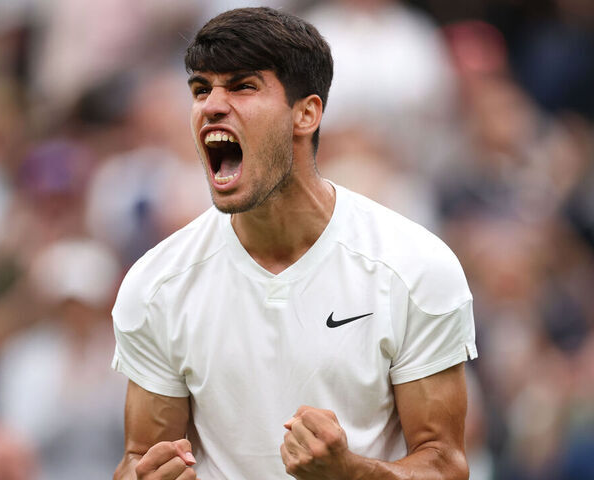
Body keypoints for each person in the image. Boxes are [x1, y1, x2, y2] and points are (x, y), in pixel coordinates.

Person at [111, 7, 477, 480]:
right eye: (201, 90)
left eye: (242, 86)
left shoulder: (416, 267)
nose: (212, 105)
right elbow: (139, 460)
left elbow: (445, 465)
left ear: (306, 114)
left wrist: (349, 472)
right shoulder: (156, 284)